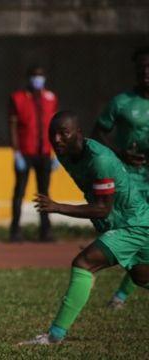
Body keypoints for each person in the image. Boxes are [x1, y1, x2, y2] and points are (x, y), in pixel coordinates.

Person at [20, 111, 149, 345]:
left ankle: (53, 337)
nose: (57, 139)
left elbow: (102, 208)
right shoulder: (65, 155)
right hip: (129, 223)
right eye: (53, 134)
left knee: (84, 263)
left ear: (78, 133)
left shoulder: (98, 160)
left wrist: (57, 207)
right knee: (142, 278)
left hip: (134, 225)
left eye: (63, 133)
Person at [93, 46, 149, 309]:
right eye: (142, 67)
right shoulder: (122, 102)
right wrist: (120, 154)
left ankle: (121, 295)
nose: (146, 72)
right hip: (132, 182)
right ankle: (121, 295)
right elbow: (98, 133)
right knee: (133, 236)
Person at [8, 65, 58, 242]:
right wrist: (16, 153)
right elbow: (12, 126)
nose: (38, 79)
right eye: (34, 76)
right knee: (19, 191)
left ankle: (46, 231)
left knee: (44, 193)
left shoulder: (50, 98)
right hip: (25, 152)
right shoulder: (18, 98)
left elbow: (53, 126)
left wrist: (55, 153)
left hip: (44, 152)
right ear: (28, 78)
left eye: (41, 76)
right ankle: (15, 230)